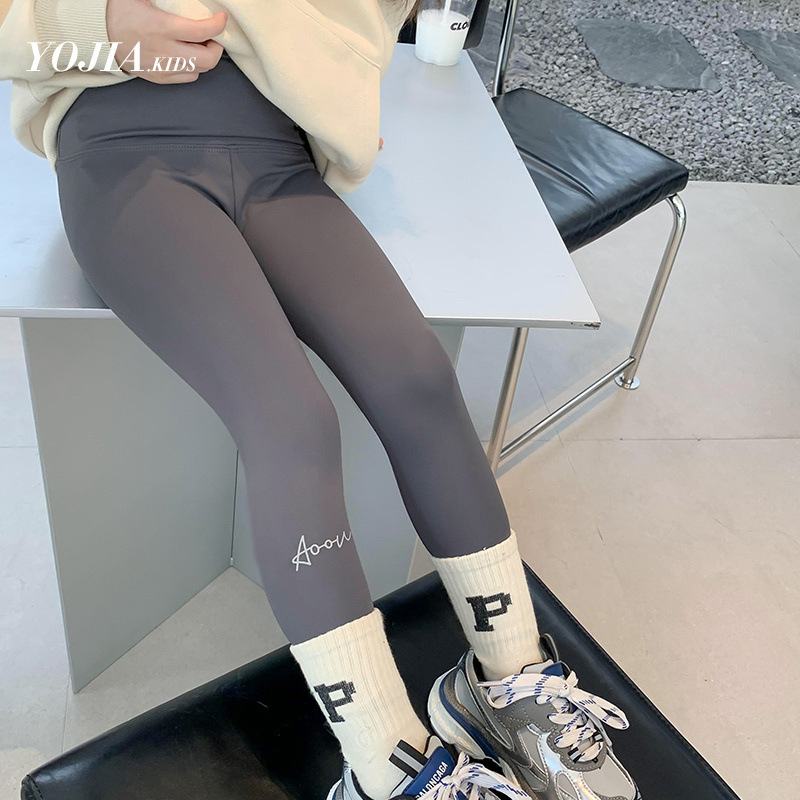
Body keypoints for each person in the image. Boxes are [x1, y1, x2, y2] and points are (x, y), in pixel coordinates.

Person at [0, 1, 639, 798]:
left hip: (281, 154)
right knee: (289, 420)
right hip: (121, 141)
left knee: (418, 378)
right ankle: (383, 767)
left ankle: (506, 682)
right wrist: (89, 23)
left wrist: (338, 81)